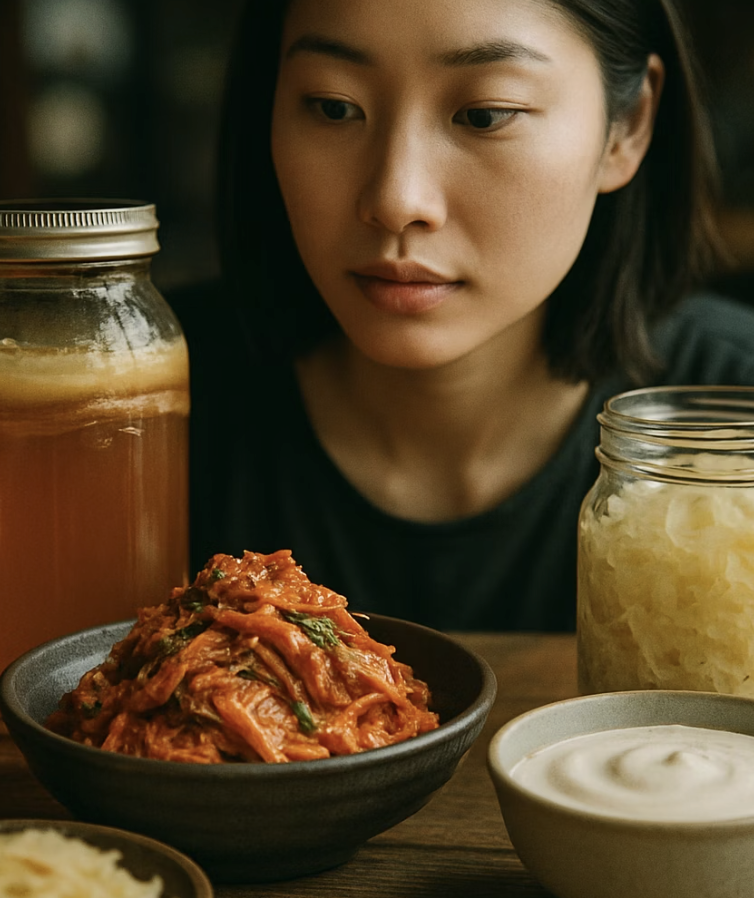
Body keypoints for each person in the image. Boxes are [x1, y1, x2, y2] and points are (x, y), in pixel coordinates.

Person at [172, 0, 754, 631]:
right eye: (334, 107)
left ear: (628, 127)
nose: (397, 200)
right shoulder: (130, 402)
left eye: (484, 115)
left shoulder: (736, 406)